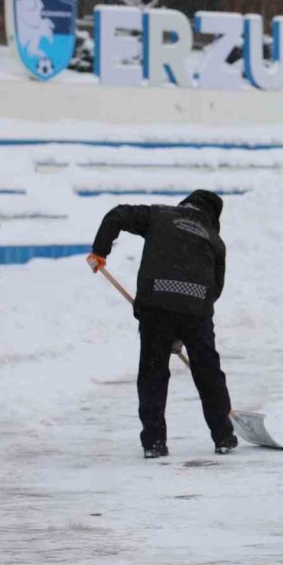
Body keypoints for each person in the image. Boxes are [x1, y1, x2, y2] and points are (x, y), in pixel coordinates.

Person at [86, 190, 238, 459]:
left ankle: (154, 443)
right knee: (208, 373)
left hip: (156, 305)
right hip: (196, 309)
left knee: (153, 374)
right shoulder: (215, 240)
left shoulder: (159, 215)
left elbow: (117, 214)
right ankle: (224, 435)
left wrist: (100, 251)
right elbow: (215, 290)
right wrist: (189, 325)